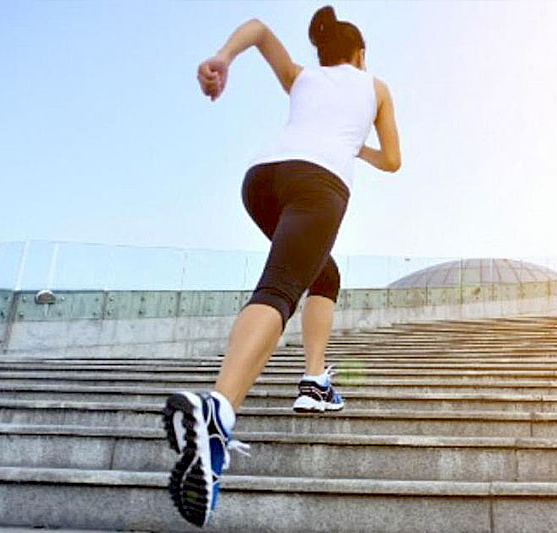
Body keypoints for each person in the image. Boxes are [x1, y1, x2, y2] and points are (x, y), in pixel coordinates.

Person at [162, 5, 401, 527]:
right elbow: (393, 160)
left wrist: (221, 58)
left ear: (323, 52)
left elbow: (260, 31)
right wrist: (351, 143)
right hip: (319, 184)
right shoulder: (375, 86)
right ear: (359, 54)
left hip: (264, 181)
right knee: (280, 288)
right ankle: (218, 413)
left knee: (323, 274)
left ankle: (314, 381)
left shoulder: (302, 76)